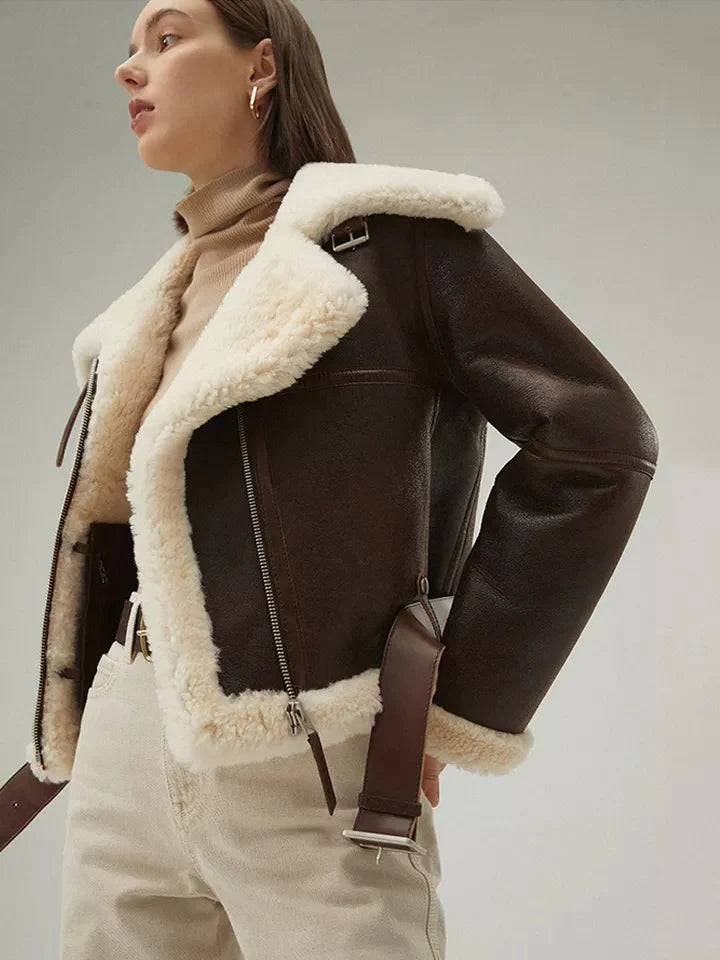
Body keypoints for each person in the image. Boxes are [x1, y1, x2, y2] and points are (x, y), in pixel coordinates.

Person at [9, 0, 659, 957]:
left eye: (168, 37)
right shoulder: (149, 307)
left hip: (311, 751)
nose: (128, 68)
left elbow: (596, 442)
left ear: (261, 66)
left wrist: (455, 707)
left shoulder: (394, 249)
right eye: (129, 47)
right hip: (125, 743)